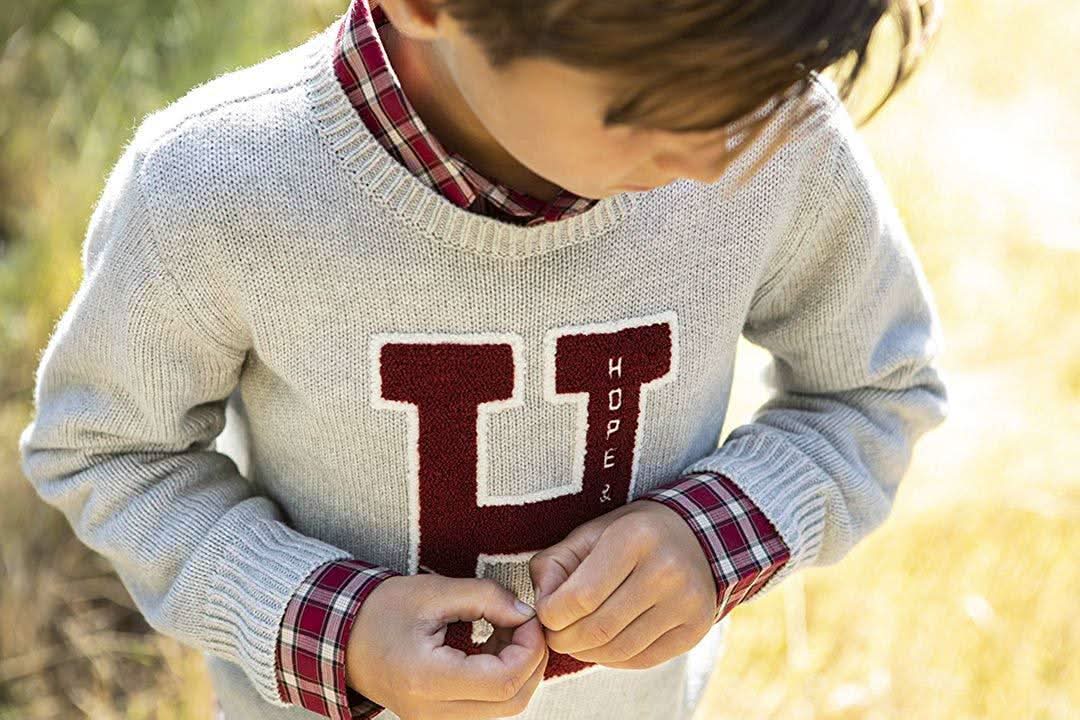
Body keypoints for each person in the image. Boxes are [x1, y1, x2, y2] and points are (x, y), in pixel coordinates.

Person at [17, 0, 949, 718]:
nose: (721, 157)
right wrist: (336, 629)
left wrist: (717, 535)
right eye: (657, 108)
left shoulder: (770, 132)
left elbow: (874, 387)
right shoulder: (212, 188)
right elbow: (109, 452)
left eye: (768, 85)